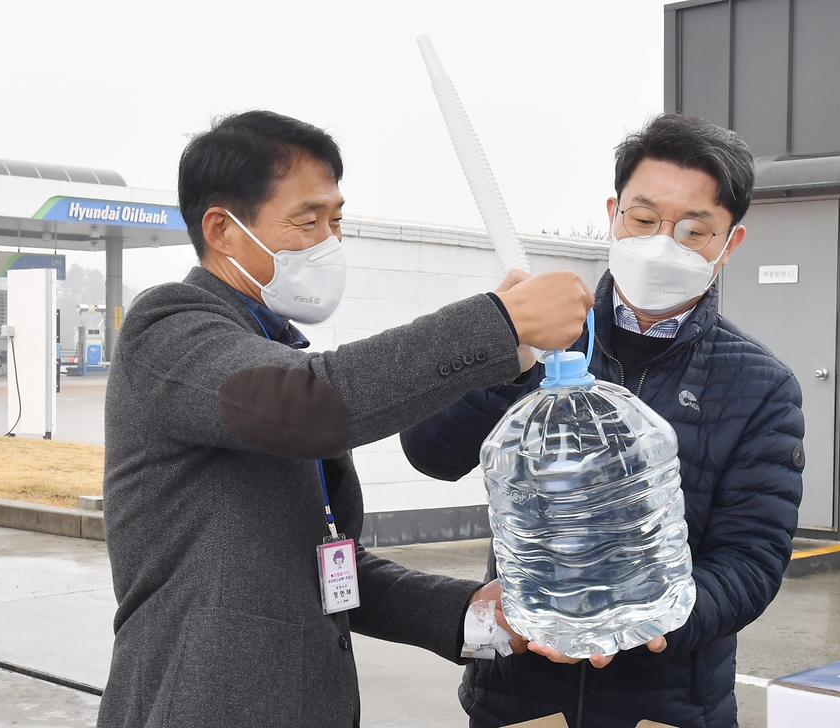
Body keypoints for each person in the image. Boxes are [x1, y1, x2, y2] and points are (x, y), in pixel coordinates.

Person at [96, 110, 594, 728]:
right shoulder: (171, 331)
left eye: (337, 222)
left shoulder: (275, 353)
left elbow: (330, 569)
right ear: (222, 230)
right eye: (308, 222)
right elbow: (315, 404)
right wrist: (500, 321)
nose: (329, 242)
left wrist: (474, 614)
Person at [400, 113, 805, 728]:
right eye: (643, 221)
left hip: (665, 704)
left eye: (693, 229)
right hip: (517, 696)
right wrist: (501, 351)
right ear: (613, 213)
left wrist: (652, 623)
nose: (661, 243)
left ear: (730, 245)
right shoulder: (540, 337)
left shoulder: (760, 385)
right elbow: (430, 453)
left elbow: (753, 558)